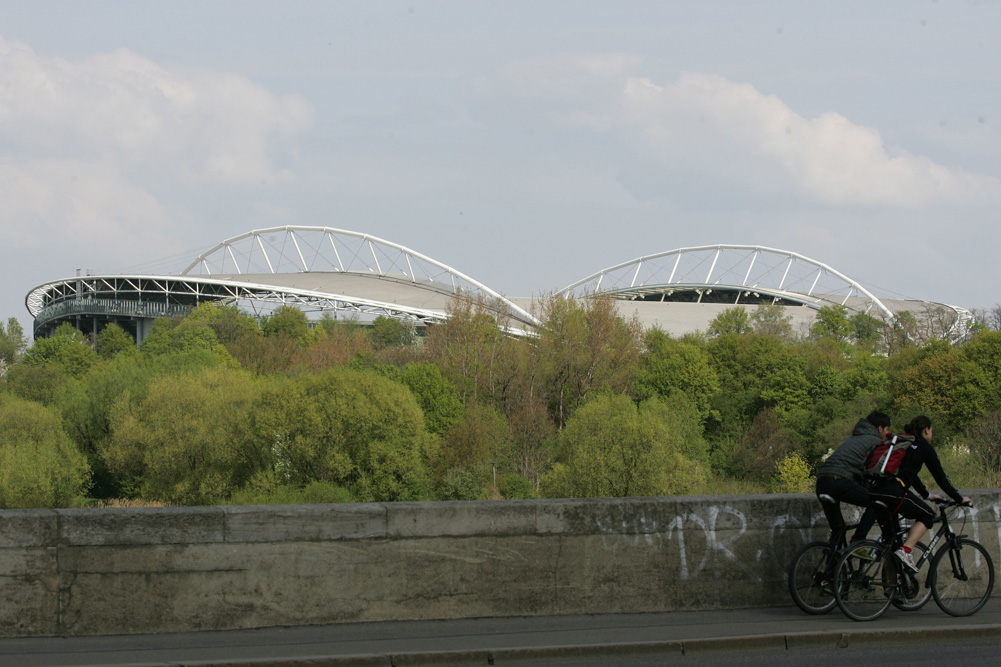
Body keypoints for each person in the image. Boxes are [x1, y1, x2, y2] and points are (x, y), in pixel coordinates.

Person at [868, 415, 971, 571]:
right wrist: (959, 498)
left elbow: (910, 474)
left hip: (876, 490)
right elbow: (941, 478)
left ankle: (892, 588)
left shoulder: (904, 443)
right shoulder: (923, 447)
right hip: (893, 491)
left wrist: (926, 495)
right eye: (931, 431)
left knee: (891, 542)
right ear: (926, 430)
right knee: (927, 515)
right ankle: (907, 550)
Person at [815, 410, 892, 544]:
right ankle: (858, 540)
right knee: (877, 504)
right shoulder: (876, 442)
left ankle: (834, 563)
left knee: (838, 529)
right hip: (839, 480)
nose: (887, 434)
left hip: (822, 481)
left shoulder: (855, 437)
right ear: (880, 428)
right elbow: (874, 471)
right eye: (886, 430)